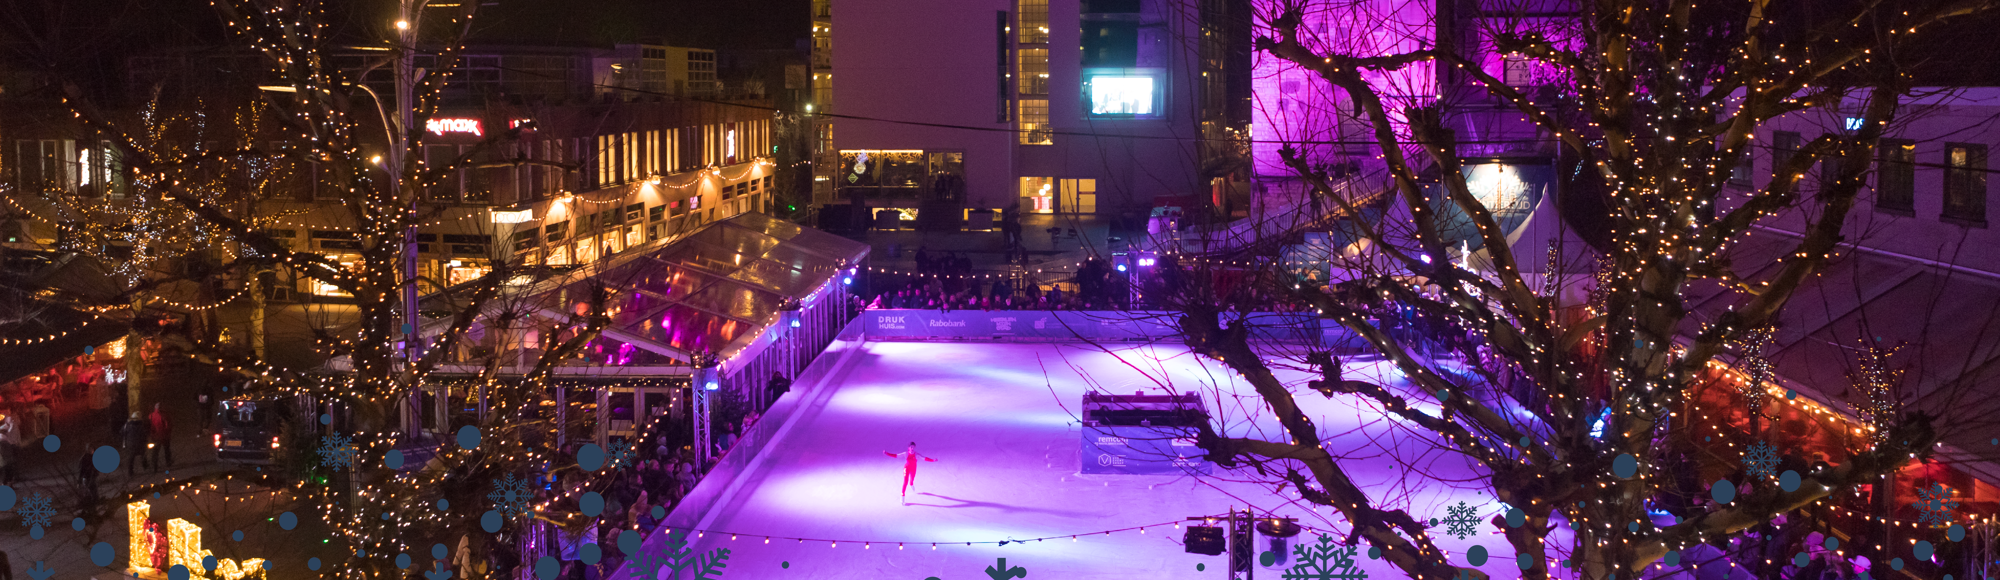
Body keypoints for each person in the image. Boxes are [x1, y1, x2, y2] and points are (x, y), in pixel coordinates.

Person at [148, 403, 173, 469]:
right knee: (166, 449)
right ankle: (168, 462)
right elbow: (167, 426)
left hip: (155, 436)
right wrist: (168, 433)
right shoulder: (164, 415)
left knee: (155, 450)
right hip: (164, 435)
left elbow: (149, 426)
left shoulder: (151, 415)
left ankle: (154, 464)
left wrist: (151, 434)